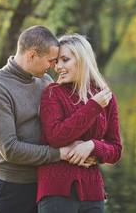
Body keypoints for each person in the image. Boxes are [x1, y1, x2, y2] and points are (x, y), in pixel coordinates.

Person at [0, 25, 80, 213]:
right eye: (51, 61)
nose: (54, 67)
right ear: (32, 55)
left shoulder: (46, 82)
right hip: (13, 190)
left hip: (48, 184)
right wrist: (60, 154)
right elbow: (10, 149)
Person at [37, 33, 123, 213]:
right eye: (56, 62)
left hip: (93, 192)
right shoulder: (53, 93)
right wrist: (92, 107)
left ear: (82, 60)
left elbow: (115, 151)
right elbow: (56, 137)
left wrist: (92, 146)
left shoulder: (105, 97)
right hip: (56, 192)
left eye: (65, 60)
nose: (58, 67)